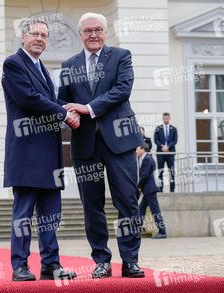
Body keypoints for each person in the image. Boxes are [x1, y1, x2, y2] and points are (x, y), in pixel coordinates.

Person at [59, 12, 145, 278]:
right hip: (85, 145)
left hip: (120, 141)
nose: (93, 34)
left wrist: (87, 108)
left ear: (105, 33)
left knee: (128, 202)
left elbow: (123, 90)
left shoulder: (121, 56)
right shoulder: (67, 64)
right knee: (91, 206)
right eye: (87, 31)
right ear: (80, 34)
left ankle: (130, 261)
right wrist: (67, 113)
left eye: (97, 30)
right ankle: (102, 261)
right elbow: (63, 100)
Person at [1, 18, 79, 282]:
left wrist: (71, 108)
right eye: (35, 34)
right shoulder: (14, 63)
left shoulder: (43, 69)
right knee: (23, 214)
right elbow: (28, 99)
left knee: (50, 215)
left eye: (44, 36)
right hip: (26, 152)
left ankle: (51, 264)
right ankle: (20, 265)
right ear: (23, 37)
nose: (40, 39)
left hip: (49, 154)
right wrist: (63, 114)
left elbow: (48, 100)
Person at [136, 144, 167, 239]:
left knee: (155, 211)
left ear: (142, 149)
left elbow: (145, 175)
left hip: (150, 189)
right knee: (141, 209)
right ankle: (137, 230)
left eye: (137, 149)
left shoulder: (148, 159)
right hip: (148, 189)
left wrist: (139, 186)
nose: (136, 151)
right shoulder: (147, 158)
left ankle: (162, 232)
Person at [154, 112, 178, 192]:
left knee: (171, 171)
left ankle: (172, 190)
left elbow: (175, 140)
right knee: (160, 171)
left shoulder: (173, 129)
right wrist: (162, 146)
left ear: (169, 118)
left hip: (170, 153)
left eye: (167, 118)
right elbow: (156, 140)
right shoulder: (158, 128)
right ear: (162, 118)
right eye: (164, 118)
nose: (166, 120)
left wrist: (168, 147)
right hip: (161, 153)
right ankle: (160, 190)